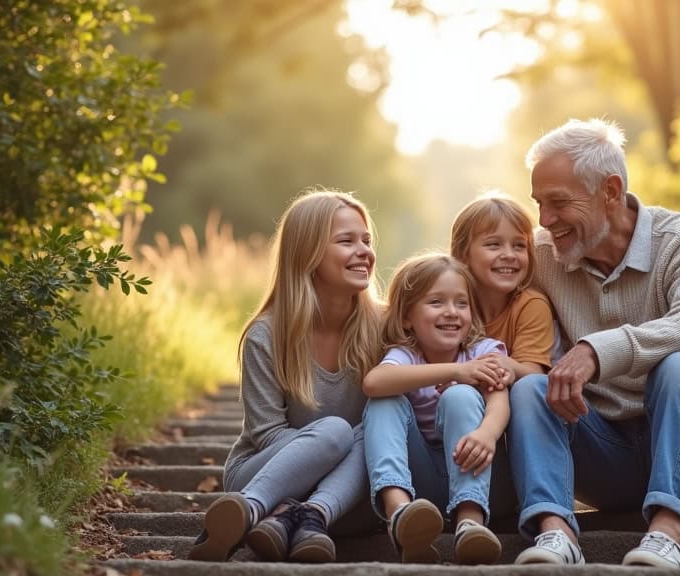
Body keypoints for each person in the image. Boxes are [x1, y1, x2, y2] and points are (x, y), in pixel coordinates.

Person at [507, 118, 680, 568]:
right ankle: (555, 533)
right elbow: (473, 295)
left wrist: (595, 350)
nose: (545, 220)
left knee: (679, 364)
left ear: (610, 191)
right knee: (529, 387)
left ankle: (668, 533)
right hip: (608, 461)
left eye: (557, 203)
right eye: (539, 205)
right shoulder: (543, 254)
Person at [189, 189, 383, 563]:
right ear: (307, 254)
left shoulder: (386, 326)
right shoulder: (266, 335)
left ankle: (285, 520)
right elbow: (266, 435)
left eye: (366, 240)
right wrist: (330, 445)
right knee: (337, 431)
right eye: (346, 241)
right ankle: (248, 510)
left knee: (373, 432)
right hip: (264, 475)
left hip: (343, 496)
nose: (364, 251)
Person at [362, 253, 514, 565]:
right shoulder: (406, 356)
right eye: (436, 302)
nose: (451, 313)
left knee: (459, 397)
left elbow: (500, 403)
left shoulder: (483, 352)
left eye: (461, 303)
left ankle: (470, 522)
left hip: (483, 477)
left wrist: (488, 433)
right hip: (424, 490)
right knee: (385, 401)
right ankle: (400, 515)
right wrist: (455, 372)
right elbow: (374, 383)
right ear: (407, 317)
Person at [449, 192, 554, 380]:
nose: (509, 255)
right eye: (494, 245)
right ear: (462, 255)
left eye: (519, 246)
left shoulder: (531, 305)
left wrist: (507, 364)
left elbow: (534, 374)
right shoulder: (449, 308)